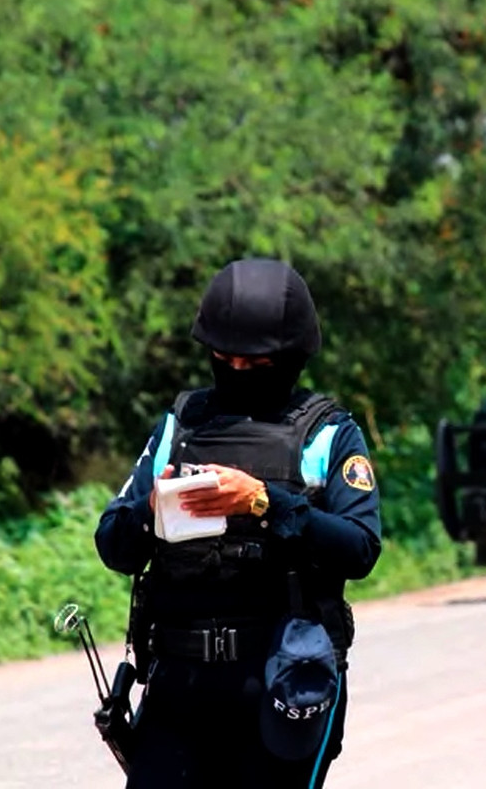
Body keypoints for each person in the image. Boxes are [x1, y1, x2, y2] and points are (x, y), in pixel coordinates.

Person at [95, 257, 382, 788]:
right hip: (178, 685)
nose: (238, 374)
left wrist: (264, 502)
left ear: (291, 358)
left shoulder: (328, 435)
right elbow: (113, 544)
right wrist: (151, 509)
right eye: (224, 360)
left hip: (283, 677)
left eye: (256, 365)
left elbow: (360, 548)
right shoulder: (180, 427)